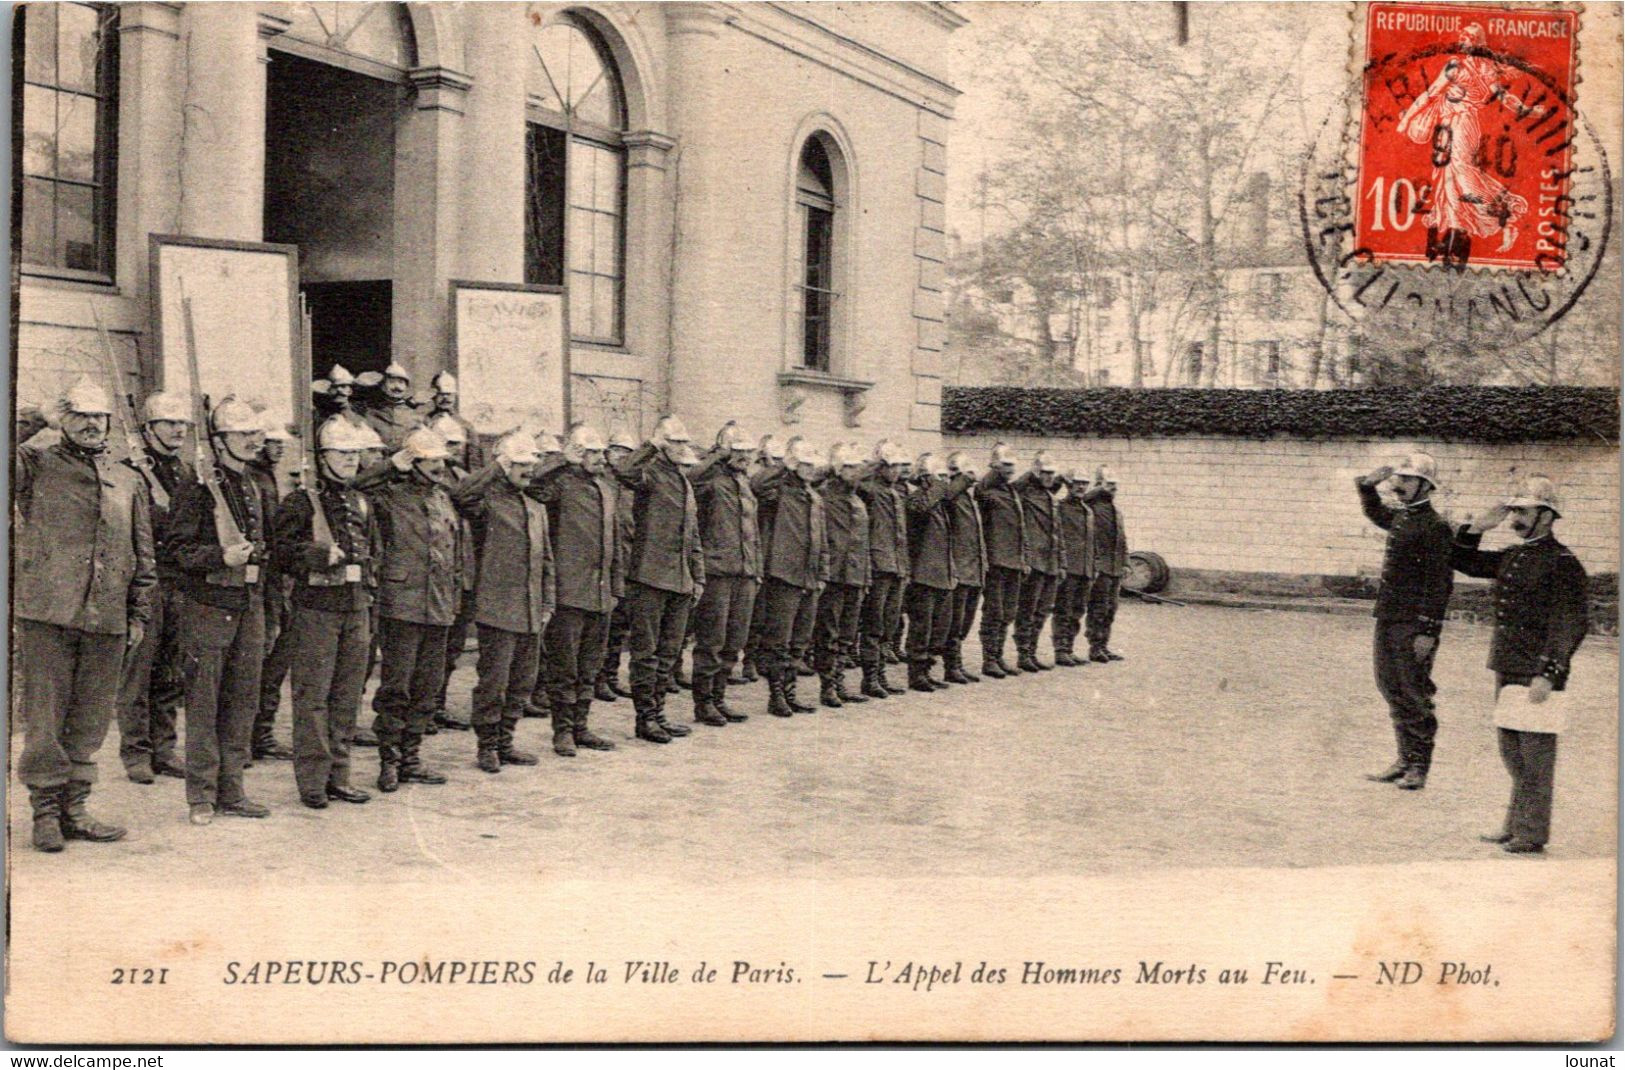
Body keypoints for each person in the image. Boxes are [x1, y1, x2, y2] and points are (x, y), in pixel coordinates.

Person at [15, 377, 156, 851]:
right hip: (48, 614)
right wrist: (37, 418)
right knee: (46, 718)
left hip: (108, 618)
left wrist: (137, 613)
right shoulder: (34, 464)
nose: (93, 424)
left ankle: (76, 808)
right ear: (64, 421)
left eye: (99, 416)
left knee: (91, 718)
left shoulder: (127, 477)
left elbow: (143, 554)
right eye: (81, 415)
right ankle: (46, 813)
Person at [1451, 478, 1589, 855]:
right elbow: (1462, 560)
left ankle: (1531, 832)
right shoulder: (1515, 555)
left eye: (1522, 511)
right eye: (1514, 510)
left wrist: (1550, 673)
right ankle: (1515, 823)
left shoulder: (1563, 563)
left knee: (1535, 756)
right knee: (1512, 750)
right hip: (1508, 665)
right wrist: (1476, 529)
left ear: (1546, 517)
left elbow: (1570, 621)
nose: (1515, 518)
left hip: (1536, 671)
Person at [165, 397, 277, 826]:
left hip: (248, 606)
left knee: (242, 702)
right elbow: (176, 552)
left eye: (255, 433)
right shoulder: (197, 487)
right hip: (208, 607)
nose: (253, 441)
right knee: (204, 702)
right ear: (219, 440)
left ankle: (232, 790)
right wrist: (221, 557)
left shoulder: (254, 483)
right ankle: (201, 796)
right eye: (242, 434)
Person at [272, 417, 380, 809]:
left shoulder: (360, 500)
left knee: (347, 696)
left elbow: (373, 552)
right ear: (323, 457)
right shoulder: (300, 502)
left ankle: (340, 775)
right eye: (341, 454)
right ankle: (314, 782)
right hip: (316, 609)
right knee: (313, 696)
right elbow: (280, 552)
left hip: (355, 606)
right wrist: (314, 555)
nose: (350, 461)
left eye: (354, 454)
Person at [358, 426, 460, 792]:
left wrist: (454, 598)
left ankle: (412, 758)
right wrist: (391, 466)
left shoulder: (444, 497)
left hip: (439, 604)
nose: (438, 467)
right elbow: (356, 487)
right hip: (402, 604)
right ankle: (389, 760)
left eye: (440, 461)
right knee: (396, 687)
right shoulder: (388, 497)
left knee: (427, 687)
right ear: (413, 462)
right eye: (429, 460)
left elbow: (455, 550)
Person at [450, 432, 556, 773]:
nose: (529, 471)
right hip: (497, 609)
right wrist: (497, 466)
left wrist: (548, 602)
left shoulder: (536, 507)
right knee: (493, 683)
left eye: (531, 465)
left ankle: (506, 741)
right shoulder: (488, 503)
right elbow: (461, 494)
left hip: (531, 608)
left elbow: (547, 562)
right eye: (521, 465)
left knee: (522, 681)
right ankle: (487, 746)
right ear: (506, 466)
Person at [1354, 453, 1455, 791]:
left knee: (1414, 691)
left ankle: (1419, 766)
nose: (1398, 486)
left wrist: (1428, 629)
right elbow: (1376, 512)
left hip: (1413, 622)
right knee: (1390, 686)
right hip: (1389, 616)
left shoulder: (1435, 526)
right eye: (1397, 480)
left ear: (1426, 485)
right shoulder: (1403, 517)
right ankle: (1404, 758)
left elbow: (1440, 583)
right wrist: (1367, 487)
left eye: (1406, 480)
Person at [529, 425, 623, 756]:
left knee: (590, 666)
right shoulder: (560, 485)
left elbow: (614, 540)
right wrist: (559, 461)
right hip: (569, 591)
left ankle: (581, 727)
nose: (599, 458)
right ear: (577, 454)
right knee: (564, 667)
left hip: (601, 594)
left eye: (600, 452)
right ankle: (563, 731)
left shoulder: (607, 488)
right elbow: (532, 484)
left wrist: (616, 586)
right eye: (591, 452)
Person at [116, 391, 194, 784]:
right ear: (148, 429)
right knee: (138, 671)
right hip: (144, 581)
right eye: (169, 423)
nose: (178, 429)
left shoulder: (183, 471)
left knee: (171, 670)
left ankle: (164, 748)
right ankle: (135, 752)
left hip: (179, 581)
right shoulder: (129, 471)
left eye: (182, 424)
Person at [614, 416, 706, 743]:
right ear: (664, 444)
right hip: (650, 577)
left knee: (668, 652)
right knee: (646, 652)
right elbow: (623, 471)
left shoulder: (683, 480)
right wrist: (651, 445)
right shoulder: (649, 473)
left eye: (684, 442)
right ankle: (645, 718)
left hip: (680, 580)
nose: (682, 447)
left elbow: (692, 534)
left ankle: (659, 713)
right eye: (675, 442)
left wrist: (698, 576)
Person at [689, 422, 762, 726]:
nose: (745, 456)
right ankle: (703, 703)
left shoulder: (744, 482)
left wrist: (756, 568)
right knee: (712, 640)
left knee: (734, 639)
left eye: (748, 451)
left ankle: (719, 698)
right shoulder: (710, 479)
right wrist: (717, 455)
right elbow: (690, 478)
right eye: (739, 450)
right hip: (718, 569)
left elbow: (753, 530)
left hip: (744, 571)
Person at [904, 452, 975, 691]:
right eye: (939, 477)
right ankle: (916, 675)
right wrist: (936, 487)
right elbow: (921, 508)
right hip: (923, 575)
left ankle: (928, 670)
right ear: (927, 479)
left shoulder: (942, 505)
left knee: (938, 628)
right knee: (921, 627)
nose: (945, 482)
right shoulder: (916, 499)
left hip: (942, 574)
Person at [250, 416, 296, 763]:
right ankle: (253, 735)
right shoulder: (253, 477)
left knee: (276, 659)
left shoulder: (271, 477)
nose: (277, 448)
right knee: (261, 660)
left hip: (276, 578)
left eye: (281, 443)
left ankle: (262, 733)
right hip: (261, 578)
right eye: (271, 442)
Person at [812, 443, 872, 708]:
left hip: (856, 575)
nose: (855, 471)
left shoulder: (858, 499)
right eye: (848, 466)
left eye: (857, 466)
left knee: (848, 633)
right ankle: (827, 686)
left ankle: (839, 681)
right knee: (829, 633)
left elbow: (863, 542)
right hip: (834, 575)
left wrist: (866, 575)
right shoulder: (823, 496)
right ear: (837, 468)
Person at [431, 414, 478, 733]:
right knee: (436, 646)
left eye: (457, 444)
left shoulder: (462, 475)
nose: (453, 450)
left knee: (453, 646)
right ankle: (425, 707)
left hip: (464, 568)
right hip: (441, 573)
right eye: (447, 444)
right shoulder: (434, 477)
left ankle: (437, 704)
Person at [856, 440, 912, 699]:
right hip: (879, 566)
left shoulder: (896, 493)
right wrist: (875, 461)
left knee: (888, 625)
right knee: (874, 624)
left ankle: (880, 675)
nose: (896, 471)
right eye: (891, 466)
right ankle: (870, 678)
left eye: (898, 466)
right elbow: (857, 479)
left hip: (897, 566)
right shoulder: (870, 490)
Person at [591, 429, 641, 703]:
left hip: (628, 558)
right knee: (604, 624)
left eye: (627, 452)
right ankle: (597, 677)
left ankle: (609, 676)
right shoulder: (601, 481)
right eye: (617, 450)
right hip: (606, 560)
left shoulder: (630, 485)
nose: (622, 456)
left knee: (620, 624)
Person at [739, 434, 788, 684]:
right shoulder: (756, 477)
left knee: (771, 614)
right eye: (773, 458)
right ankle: (748, 660)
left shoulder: (785, 481)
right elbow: (759, 488)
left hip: (778, 554)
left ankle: (761, 659)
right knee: (755, 614)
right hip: (759, 551)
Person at [976, 443, 1027, 679]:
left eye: (1011, 466)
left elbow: (1020, 528)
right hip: (996, 561)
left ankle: (998, 656)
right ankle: (989, 660)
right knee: (994, 611)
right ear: (994, 466)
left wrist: (1023, 557)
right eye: (1004, 465)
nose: (1009, 470)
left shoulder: (1011, 492)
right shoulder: (986, 491)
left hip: (1014, 561)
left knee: (1008, 612)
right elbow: (981, 489)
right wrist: (994, 469)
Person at [1012, 451, 1065, 673]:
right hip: (1034, 561)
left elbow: (1057, 532)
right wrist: (1031, 471)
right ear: (1036, 473)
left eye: (1051, 473)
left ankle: (1031, 652)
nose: (1048, 477)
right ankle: (1023, 653)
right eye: (1044, 472)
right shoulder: (1026, 494)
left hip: (1051, 562)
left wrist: (1062, 562)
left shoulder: (1051, 498)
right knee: (1028, 609)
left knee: (1043, 610)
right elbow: (1015, 487)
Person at [942, 450, 988, 684]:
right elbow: (947, 494)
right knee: (955, 622)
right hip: (960, 569)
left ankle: (956, 664)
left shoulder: (969, 499)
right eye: (967, 474)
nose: (972, 478)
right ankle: (952, 666)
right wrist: (962, 479)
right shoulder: (952, 495)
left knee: (966, 621)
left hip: (975, 569)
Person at [1081, 466, 1131, 664]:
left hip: (1115, 567)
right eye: (1109, 484)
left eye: (1115, 485)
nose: (1113, 488)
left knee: (1111, 608)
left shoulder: (1116, 510)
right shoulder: (1092, 505)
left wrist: (1126, 562)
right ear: (1099, 484)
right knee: (1099, 608)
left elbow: (1122, 539)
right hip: (1100, 566)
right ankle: (1095, 648)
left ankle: (1103, 646)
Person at [1051, 467, 1097, 667]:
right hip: (1068, 569)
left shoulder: (1088, 510)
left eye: (1085, 483)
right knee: (1064, 609)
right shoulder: (1060, 507)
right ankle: (1060, 650)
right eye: (1077, 483)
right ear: (1068, 485)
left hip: (1085, 570)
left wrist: (1093, 565)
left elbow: (1091, 541)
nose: (1081, 487)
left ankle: (1069, 648)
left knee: (1078, 610)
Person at [363, 361, 426, 450]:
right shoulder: (371, 413)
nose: (397, 386)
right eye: (391, 382)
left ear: (406, 387)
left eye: (401, 382)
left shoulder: (414, 415)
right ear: (383, 386)